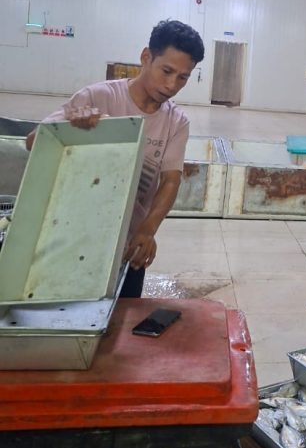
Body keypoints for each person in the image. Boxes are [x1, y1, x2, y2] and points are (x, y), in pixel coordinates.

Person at [26, 19, 205, 298]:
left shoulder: (176, 122)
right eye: (167, 71)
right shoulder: (98, 97)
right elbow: (33, 142)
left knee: (124, 315)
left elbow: (171, 180)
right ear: (146, 57)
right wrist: (70, 127)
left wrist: (147, 230)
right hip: (73, 239)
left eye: (183, 77)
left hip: (128, 245)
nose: (171, 85)